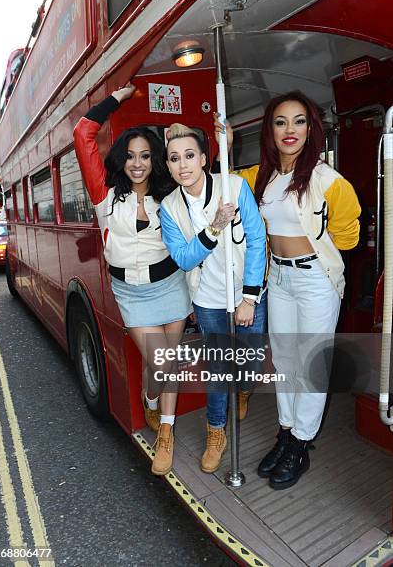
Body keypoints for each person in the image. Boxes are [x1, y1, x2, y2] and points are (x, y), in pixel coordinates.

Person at [213, 91, 361, 489]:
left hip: (315, 280)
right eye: (281, 122)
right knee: (283, 360)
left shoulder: (328, 180)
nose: (290, 129)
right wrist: (224, 148)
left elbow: (349, 236)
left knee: (311, 363)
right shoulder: (261, 176)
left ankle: (300, 443)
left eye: (299, 121)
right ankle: (286, 430)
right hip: (277, 279)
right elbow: (223, 187)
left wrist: (317, 239)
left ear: (311, 128)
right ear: (271, 130)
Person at [73, 84, 191, 476]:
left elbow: (197, 170)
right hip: (132, 293)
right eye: (130, 156)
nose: (137, 164)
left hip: (171, 285)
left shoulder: (170, 193)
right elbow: (82, 133)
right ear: (120, 159)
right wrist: (118, 99)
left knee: (166, 362)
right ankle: (152, 403)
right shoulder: (104, 195)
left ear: (154, 159)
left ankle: (166, 432)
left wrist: (185, 133)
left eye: (145, 156)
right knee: (159, 362)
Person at [160, 124, 267, 474]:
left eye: (190, 156)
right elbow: (184, 258)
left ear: (205, 159)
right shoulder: (169, 207)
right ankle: (216, 431)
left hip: (246, 293)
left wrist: (249, 298)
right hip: (208, 299)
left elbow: (256, 239)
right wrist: (215, 227)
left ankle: (246, 389)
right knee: (219, 368)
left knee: (250, 358)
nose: (183, 165)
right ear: (169, 165)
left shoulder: (233, 187)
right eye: (175, 159)